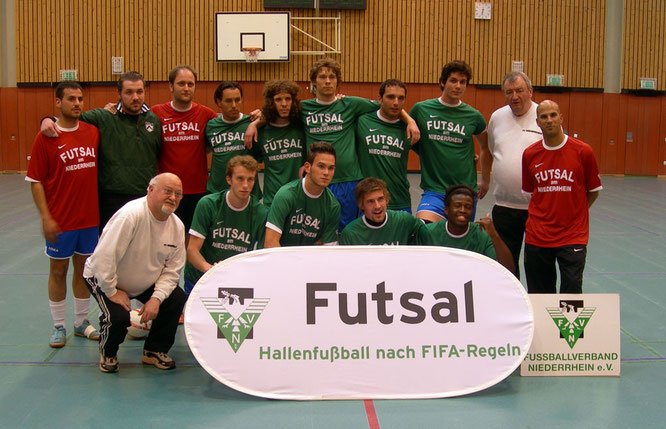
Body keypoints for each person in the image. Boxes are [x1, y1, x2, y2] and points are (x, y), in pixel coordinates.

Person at [246, 58, 419, 229]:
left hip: (348, 180)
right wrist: (255, 123)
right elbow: (274, 111)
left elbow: (388, 105)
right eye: (322, 77)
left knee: (348, 230)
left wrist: (409, 119)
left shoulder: (351, 104)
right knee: (315, 230)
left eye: (332, 77)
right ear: (314, 82)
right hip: (316, 181)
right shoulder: (302, 108)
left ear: (338, 82)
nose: (327, 81)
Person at [83, 173, 187, 373]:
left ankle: (154, 351)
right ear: (150, 190)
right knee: (118, 317)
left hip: (143, 280)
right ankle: (109, 352)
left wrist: (156, 299)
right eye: (168, 191)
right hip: (103, 276)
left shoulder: (177, 226)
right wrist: (112, 291)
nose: (173, 197)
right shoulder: (130, 216)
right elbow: (104, 258)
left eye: (178, 194)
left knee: (175, 300)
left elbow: (172, 271)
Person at [26, 81, 101, 347]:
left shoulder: (93, 132)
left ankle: (81, 322)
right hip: (61, 220)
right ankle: (58, 326)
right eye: (71, 99)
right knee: (58, 271)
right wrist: (46, 217)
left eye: (80, 98)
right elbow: (35, 180)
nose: (77, 103)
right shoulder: (46, 137)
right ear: (58, 102)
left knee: (83, 271)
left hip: (90, 219)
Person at [40, 71, 162, 231]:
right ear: (119, 93)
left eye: (139, 91)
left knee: (142, 249)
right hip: (110, 200)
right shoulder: (104, 117)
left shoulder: (153, 120)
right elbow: (71, 118)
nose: (135, 97)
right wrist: (47, 119)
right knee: (110, 251)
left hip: (144, 197)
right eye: (129, 92)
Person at [522, 100, 602, 294]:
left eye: (553, 115)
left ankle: (566, 326)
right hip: (538, 235)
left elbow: (593, 190)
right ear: (537, 122)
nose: (549, 120)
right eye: (544, 117)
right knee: (540, 295)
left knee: (572, 291)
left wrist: (576, 211)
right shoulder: (530, 154)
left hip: (573, 235)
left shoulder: (583, 151)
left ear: (561, 118)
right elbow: (532, 193)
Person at [410, 60, 489, 223]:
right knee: (423, 228)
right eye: (453, 81)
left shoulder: (473, 116)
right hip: (435, 190)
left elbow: (485, 147)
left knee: (456, 239)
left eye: (463, 82)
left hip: (464, 191)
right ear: (442, 82)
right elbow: (409, 135)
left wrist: (486, 180)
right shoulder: (421, 109)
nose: (458, 86)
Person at [484, 71, 542, 279]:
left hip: (537, 208)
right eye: (509, 92)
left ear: (530, 92)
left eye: (519, 91)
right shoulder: (497, 117)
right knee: (505, 267)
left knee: (537, 265)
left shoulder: (542, 116)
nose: (514, 96)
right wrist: (484, 180)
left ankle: (537, 307)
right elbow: (491, 151)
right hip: (504, 207)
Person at [185, 156, 268, 295]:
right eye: (240, 179)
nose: (246, 185)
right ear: (229, 179)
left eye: (250, 179)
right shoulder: (208, 204)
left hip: (235, 281)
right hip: (200, 278)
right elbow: (192, 250)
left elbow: (262, 257)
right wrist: (211, 270)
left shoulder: (261, 213)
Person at [151, 65, 217, 237]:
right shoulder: (156, 113)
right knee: (164, 236)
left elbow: (224, 131)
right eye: (181, 83)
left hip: (197, 190)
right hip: (166, 191)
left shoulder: (206, 114)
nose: (186, 88)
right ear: (171, 86)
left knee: (193, 237)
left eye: (190, 84)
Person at [423, 185, 515, 273]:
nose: (463, 210)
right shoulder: (430, 232)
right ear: (446, 210)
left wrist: (493, 234)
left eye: (468, 207)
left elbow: (508, 269)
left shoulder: (481, 234)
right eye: (457, 206)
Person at [265, 142, 340, 247]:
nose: (326, 172)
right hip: (279, 258)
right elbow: (270, 243)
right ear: (307, 167)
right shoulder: (286, 195)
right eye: (321, 166)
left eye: (331, 168)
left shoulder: (333, 206)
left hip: (307, 260)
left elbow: (328, 251)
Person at [356, 79, 413, 212]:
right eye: (390, 97)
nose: (396, 103)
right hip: (369, 201)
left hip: (400, 200)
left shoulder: (410, 128)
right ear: (380, 99)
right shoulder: (362, 121)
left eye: (401, 98)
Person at [252, 80, 305, 206]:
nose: (284, 104)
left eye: (288, 99)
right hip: (272, 199)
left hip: (299, 197)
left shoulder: (302, 128)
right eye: (278, 99)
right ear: (271, 102)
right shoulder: (261, 132)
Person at [205, 81, 260, 198]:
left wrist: (258, 120)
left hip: (247, 192)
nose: (234, 105)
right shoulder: (210, 126)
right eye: (229, 101)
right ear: (219, 102)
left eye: (237, 100)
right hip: (217, 191)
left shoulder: (251, 123)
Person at [340, 178, 427, 245]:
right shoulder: (350, 234)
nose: (377, 206)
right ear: (361, 205)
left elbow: (428, 232)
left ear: (387, 200)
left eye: (380, 199)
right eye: (370, 201)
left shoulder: (403, 220)